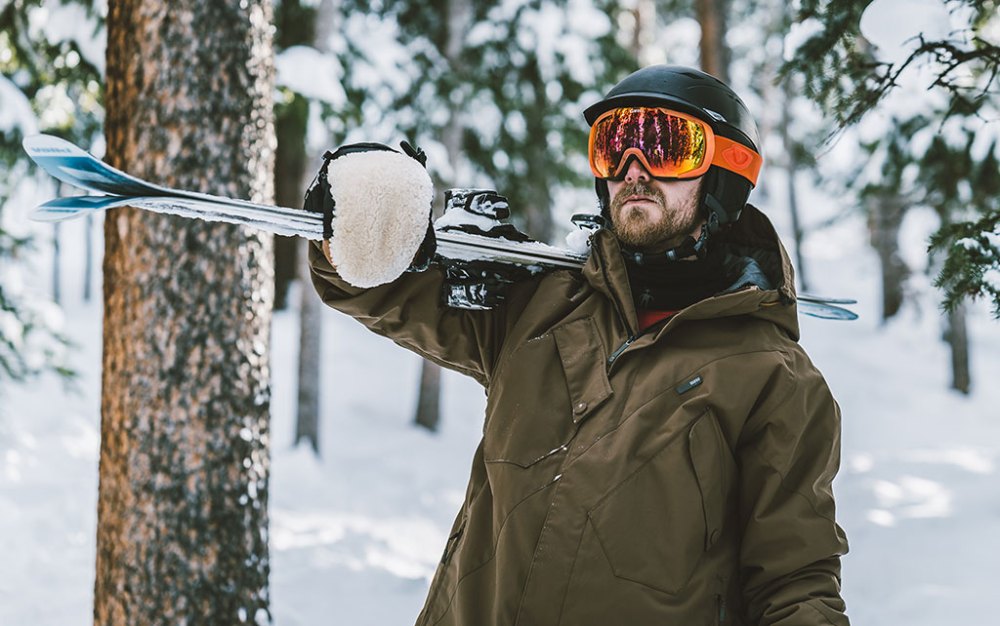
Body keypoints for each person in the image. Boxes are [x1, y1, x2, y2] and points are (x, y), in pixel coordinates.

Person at [307, 65, 850, 626]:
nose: (633, 171)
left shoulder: (773, 378)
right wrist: (364, 217)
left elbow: (795, 582)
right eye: (614, 147)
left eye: (666, 147)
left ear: (725, 174)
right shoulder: (541, 306)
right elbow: (380, 286)